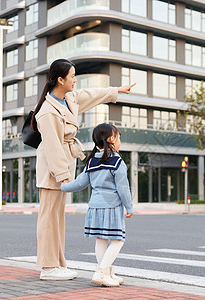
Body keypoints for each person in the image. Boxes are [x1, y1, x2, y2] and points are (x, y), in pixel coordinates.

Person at [33, 58, 135, 281]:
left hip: (64, 167)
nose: (75, 80)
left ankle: (58, 264)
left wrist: (116, 90)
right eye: (72, 76)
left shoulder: (69, 98)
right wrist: (63, 178)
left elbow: (91, 94)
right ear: (60, 80)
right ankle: (48, 267)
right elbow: (52, 147)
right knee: (49, 218)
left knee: (58, 218)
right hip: (52, 170)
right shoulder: (47, 112)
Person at [61, 123, 133, 287]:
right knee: (118, 240)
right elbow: (123, 188)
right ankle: (101, 272)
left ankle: (106, 272)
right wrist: (129, 207)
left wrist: (63, 186)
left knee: (101, 239)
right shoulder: (117, 162)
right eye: (118, 137)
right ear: (111, 139)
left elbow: (80, 183)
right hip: (112, 206)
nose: (120, 140)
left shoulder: (92, 161)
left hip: (94, 206)